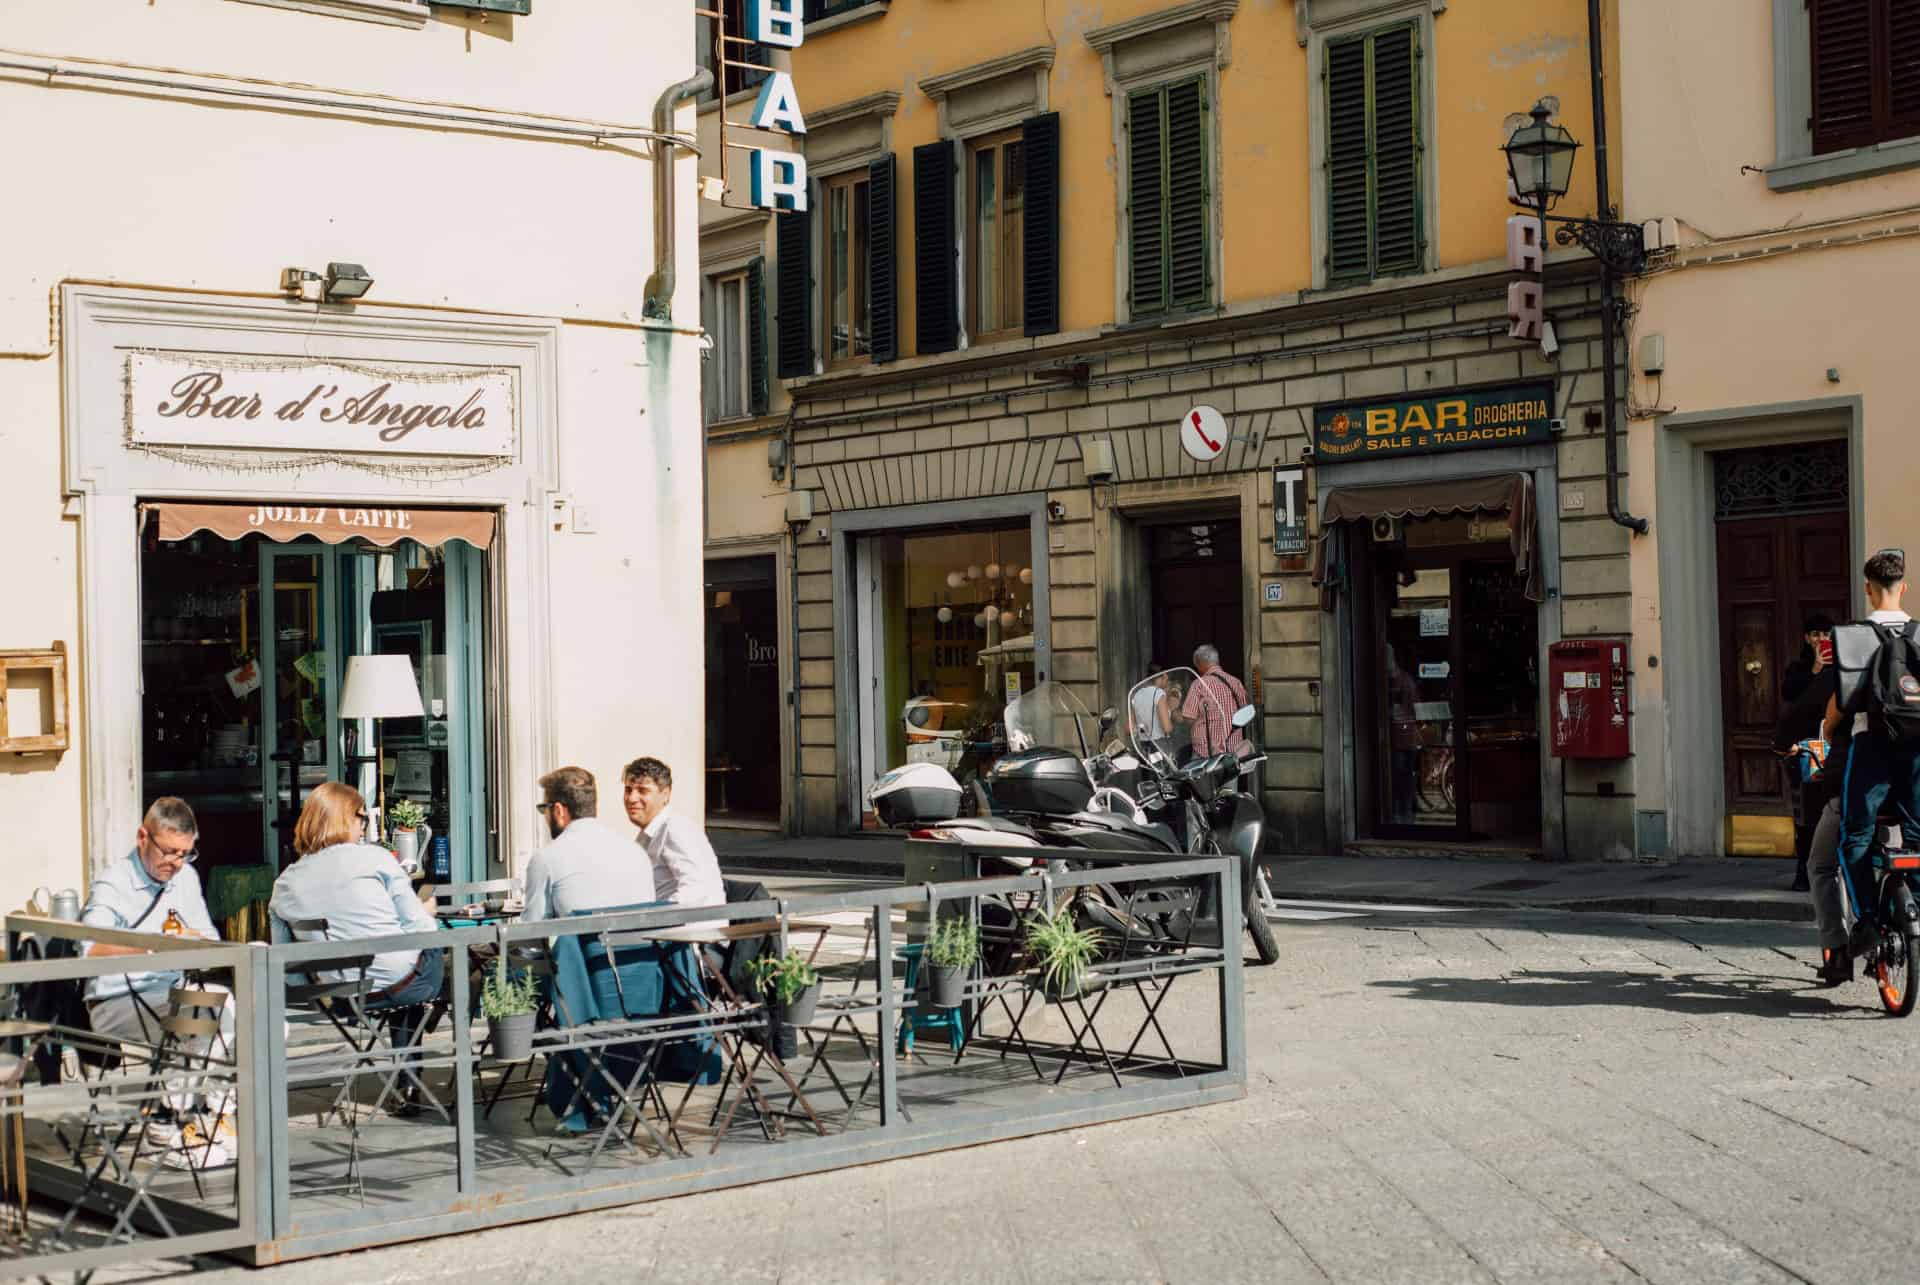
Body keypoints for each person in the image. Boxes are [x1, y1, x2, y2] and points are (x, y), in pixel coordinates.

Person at [80, 797, 234, 1169]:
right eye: (168, 852)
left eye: (185, 854)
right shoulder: (114, 882)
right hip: (116, 998)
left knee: (250, 1015)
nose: (176, 863)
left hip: (172, 994)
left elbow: (209, 941)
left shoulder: (186, 878)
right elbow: (89, 946)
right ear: (142, 837)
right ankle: (172, 1123)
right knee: (205, 1013)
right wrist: (151, 947)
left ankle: (192, 1115)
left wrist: (195, 940)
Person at [270, 782, 443, 1115]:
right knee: (434, 962)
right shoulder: (375, 858)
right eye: (362, 816)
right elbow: (421, 929)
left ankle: (408, 1079)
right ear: (347, 818)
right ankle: (416, 1075)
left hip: (342, 997)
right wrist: (428, 911)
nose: (365, 824)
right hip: (400, 982)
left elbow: (286, 963)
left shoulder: (285, 882)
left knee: (400, 982)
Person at [1819, 549, 1920, 973]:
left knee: (1854, 837)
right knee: (1917, 836)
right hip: (1917, 750)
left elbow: (1842, 705)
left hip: (1871, 747)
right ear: (1905, 586)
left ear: (1868, 588)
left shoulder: (1855, 636)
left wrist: (1826, 730)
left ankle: (1867, 923)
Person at [521, 766, 655, 922]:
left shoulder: (545, 858)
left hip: (585, 946)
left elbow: (531, 934)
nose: (544, 816)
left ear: (558, 811)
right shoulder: (636, 852)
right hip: (638, 946)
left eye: (544, 809)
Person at [1775, 612, 1838, 892]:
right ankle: (1804, 870)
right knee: (1805, 812)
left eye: (1825, 634)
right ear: (1806, 638)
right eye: (1815, 634)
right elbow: (1790, 696)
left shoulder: (1842, 666)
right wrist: (1814, 669)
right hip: (1804, 746)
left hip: (1834, 745)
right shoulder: (1798, 668)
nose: (1820, 640)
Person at [622, 757, 725, 913]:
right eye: (628, 790)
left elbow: (696, 889)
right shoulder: (647, 834)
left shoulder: (676, 829)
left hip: (688, 932)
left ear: (665, 794)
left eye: (643, 791)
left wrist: (652, 917)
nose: (631, 798)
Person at [1181, 643, 1250, 759]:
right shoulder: (1235, 682)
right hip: (1233, 752)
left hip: (1205, 752)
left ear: (1201, 664)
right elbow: (1246, 712)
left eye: (1196, 665)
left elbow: (1189, 717)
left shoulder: (1198, 684)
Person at [1130, 664, 1174, 744]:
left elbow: (1129, 728)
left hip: (1142, 744)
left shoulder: (1137, 694)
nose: (1167, 680)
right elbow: (1167, 728)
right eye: (1167, 678)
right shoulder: (1159, 693)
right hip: (1159, 745)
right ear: (1164, 675)